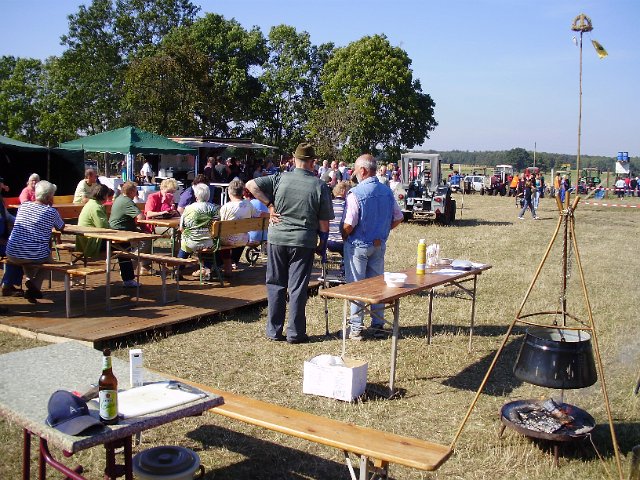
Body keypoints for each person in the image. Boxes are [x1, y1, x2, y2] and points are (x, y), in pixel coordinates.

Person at [246, 142, 334, 344]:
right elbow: (324, 222)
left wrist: (269, 205)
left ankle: (274, 331)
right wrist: (323, 243)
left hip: (277, 238)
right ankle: (295, 333)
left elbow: (251, 185)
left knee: (275, 283)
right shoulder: (319, 185)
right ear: (313, 162)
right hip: (303, 241)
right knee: (298, 287)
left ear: (294, 159)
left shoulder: (279, 178)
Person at [342, 154, 403, 341]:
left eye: (355, 170)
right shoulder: (387, 191)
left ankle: (356, 328)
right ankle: (378, 325)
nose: (354, 173)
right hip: (378, 244)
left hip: (358, 245)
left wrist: (344, 236)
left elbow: (349, 223)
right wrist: (383, 230)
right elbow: (398, 217)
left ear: (362, 170)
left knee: (356, 287)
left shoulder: (356, 193)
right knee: (377, 286)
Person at [4, 181, 65, 303]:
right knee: (49, 261)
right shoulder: (51, 212)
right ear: (49, 197)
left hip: (11, 252)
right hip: (31, 254)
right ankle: (34, 286)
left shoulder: (23, 206)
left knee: (30, 251)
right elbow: (61, 227)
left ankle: (29, 282)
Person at [217, 179, 266, 275]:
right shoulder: (248, 204)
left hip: (229, 239)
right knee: (237, 234)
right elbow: (259, 214)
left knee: (220, 236)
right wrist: (271, 214)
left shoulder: (226, 207)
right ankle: (233, 261)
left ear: (229, 192)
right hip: (243, 239)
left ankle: (226, 265)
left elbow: (221, 223)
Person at [177, 183, 220, 280]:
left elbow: (181, 228)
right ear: (208, 195)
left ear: (196, 196)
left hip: (192, 242)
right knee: (207, 240)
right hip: (209, 243)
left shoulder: (188, 208)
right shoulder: (214, 209)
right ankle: (208, 270)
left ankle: (178, 269)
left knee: (185, 244)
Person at [108, 181, 144, 288]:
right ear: (132, 191)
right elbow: (140, 217)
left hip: (114, 231)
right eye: (136, 191)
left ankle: (129, 273)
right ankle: (130, 274)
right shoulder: (127, 201)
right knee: (144, 241)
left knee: (125, 252)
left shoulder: (119, 198)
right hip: (121, 232)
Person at [141, 178, 179, 273]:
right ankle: (173, 262)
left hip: (165, 224)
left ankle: (174, 261)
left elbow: (173, 213)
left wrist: (172, 211)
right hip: (152, 226)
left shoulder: (169, 199)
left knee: (179, 231)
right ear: (162, 188)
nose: (170, 194)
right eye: (168, 192)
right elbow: (149, 214)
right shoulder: (153, 197)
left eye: (172, 192)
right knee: (175, 232)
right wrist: (162, 212)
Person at [76, 184, 110, 258]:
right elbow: (103, 227)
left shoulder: (90, 203)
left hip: (84, 240)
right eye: (107, 195)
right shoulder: (96, 207)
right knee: (123, 245)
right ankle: (126, 266)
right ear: (104, 196)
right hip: (91, 242)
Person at [327, 181, 350, 258]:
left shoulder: (329, 204)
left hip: (328, 241)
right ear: (343, 191)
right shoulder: (347, 205)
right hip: (342, 242)